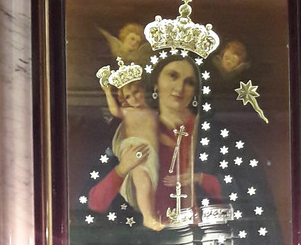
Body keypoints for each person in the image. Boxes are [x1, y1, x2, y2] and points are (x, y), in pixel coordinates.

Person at [88, 55, 222, 227]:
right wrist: (123, 168)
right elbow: (95, 204)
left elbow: (242, 189)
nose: (179, 88)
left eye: (189, 82)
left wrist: (199, 178)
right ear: (156, 83)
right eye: (172, 76)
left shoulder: (210, 133)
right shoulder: (128, 126)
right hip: (143, 237)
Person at [97, 65, 163, 230]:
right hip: (135, 153)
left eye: (136, 92)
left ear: (143, 90)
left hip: (152, 155)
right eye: (128, 96)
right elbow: (114, 110)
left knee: (152, 185)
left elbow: (159, 134)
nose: (133, 98)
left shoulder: (154, 114)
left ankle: (152, 213)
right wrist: (107, 91)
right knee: (142, 181)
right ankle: (148, 217)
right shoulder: (128, 112)